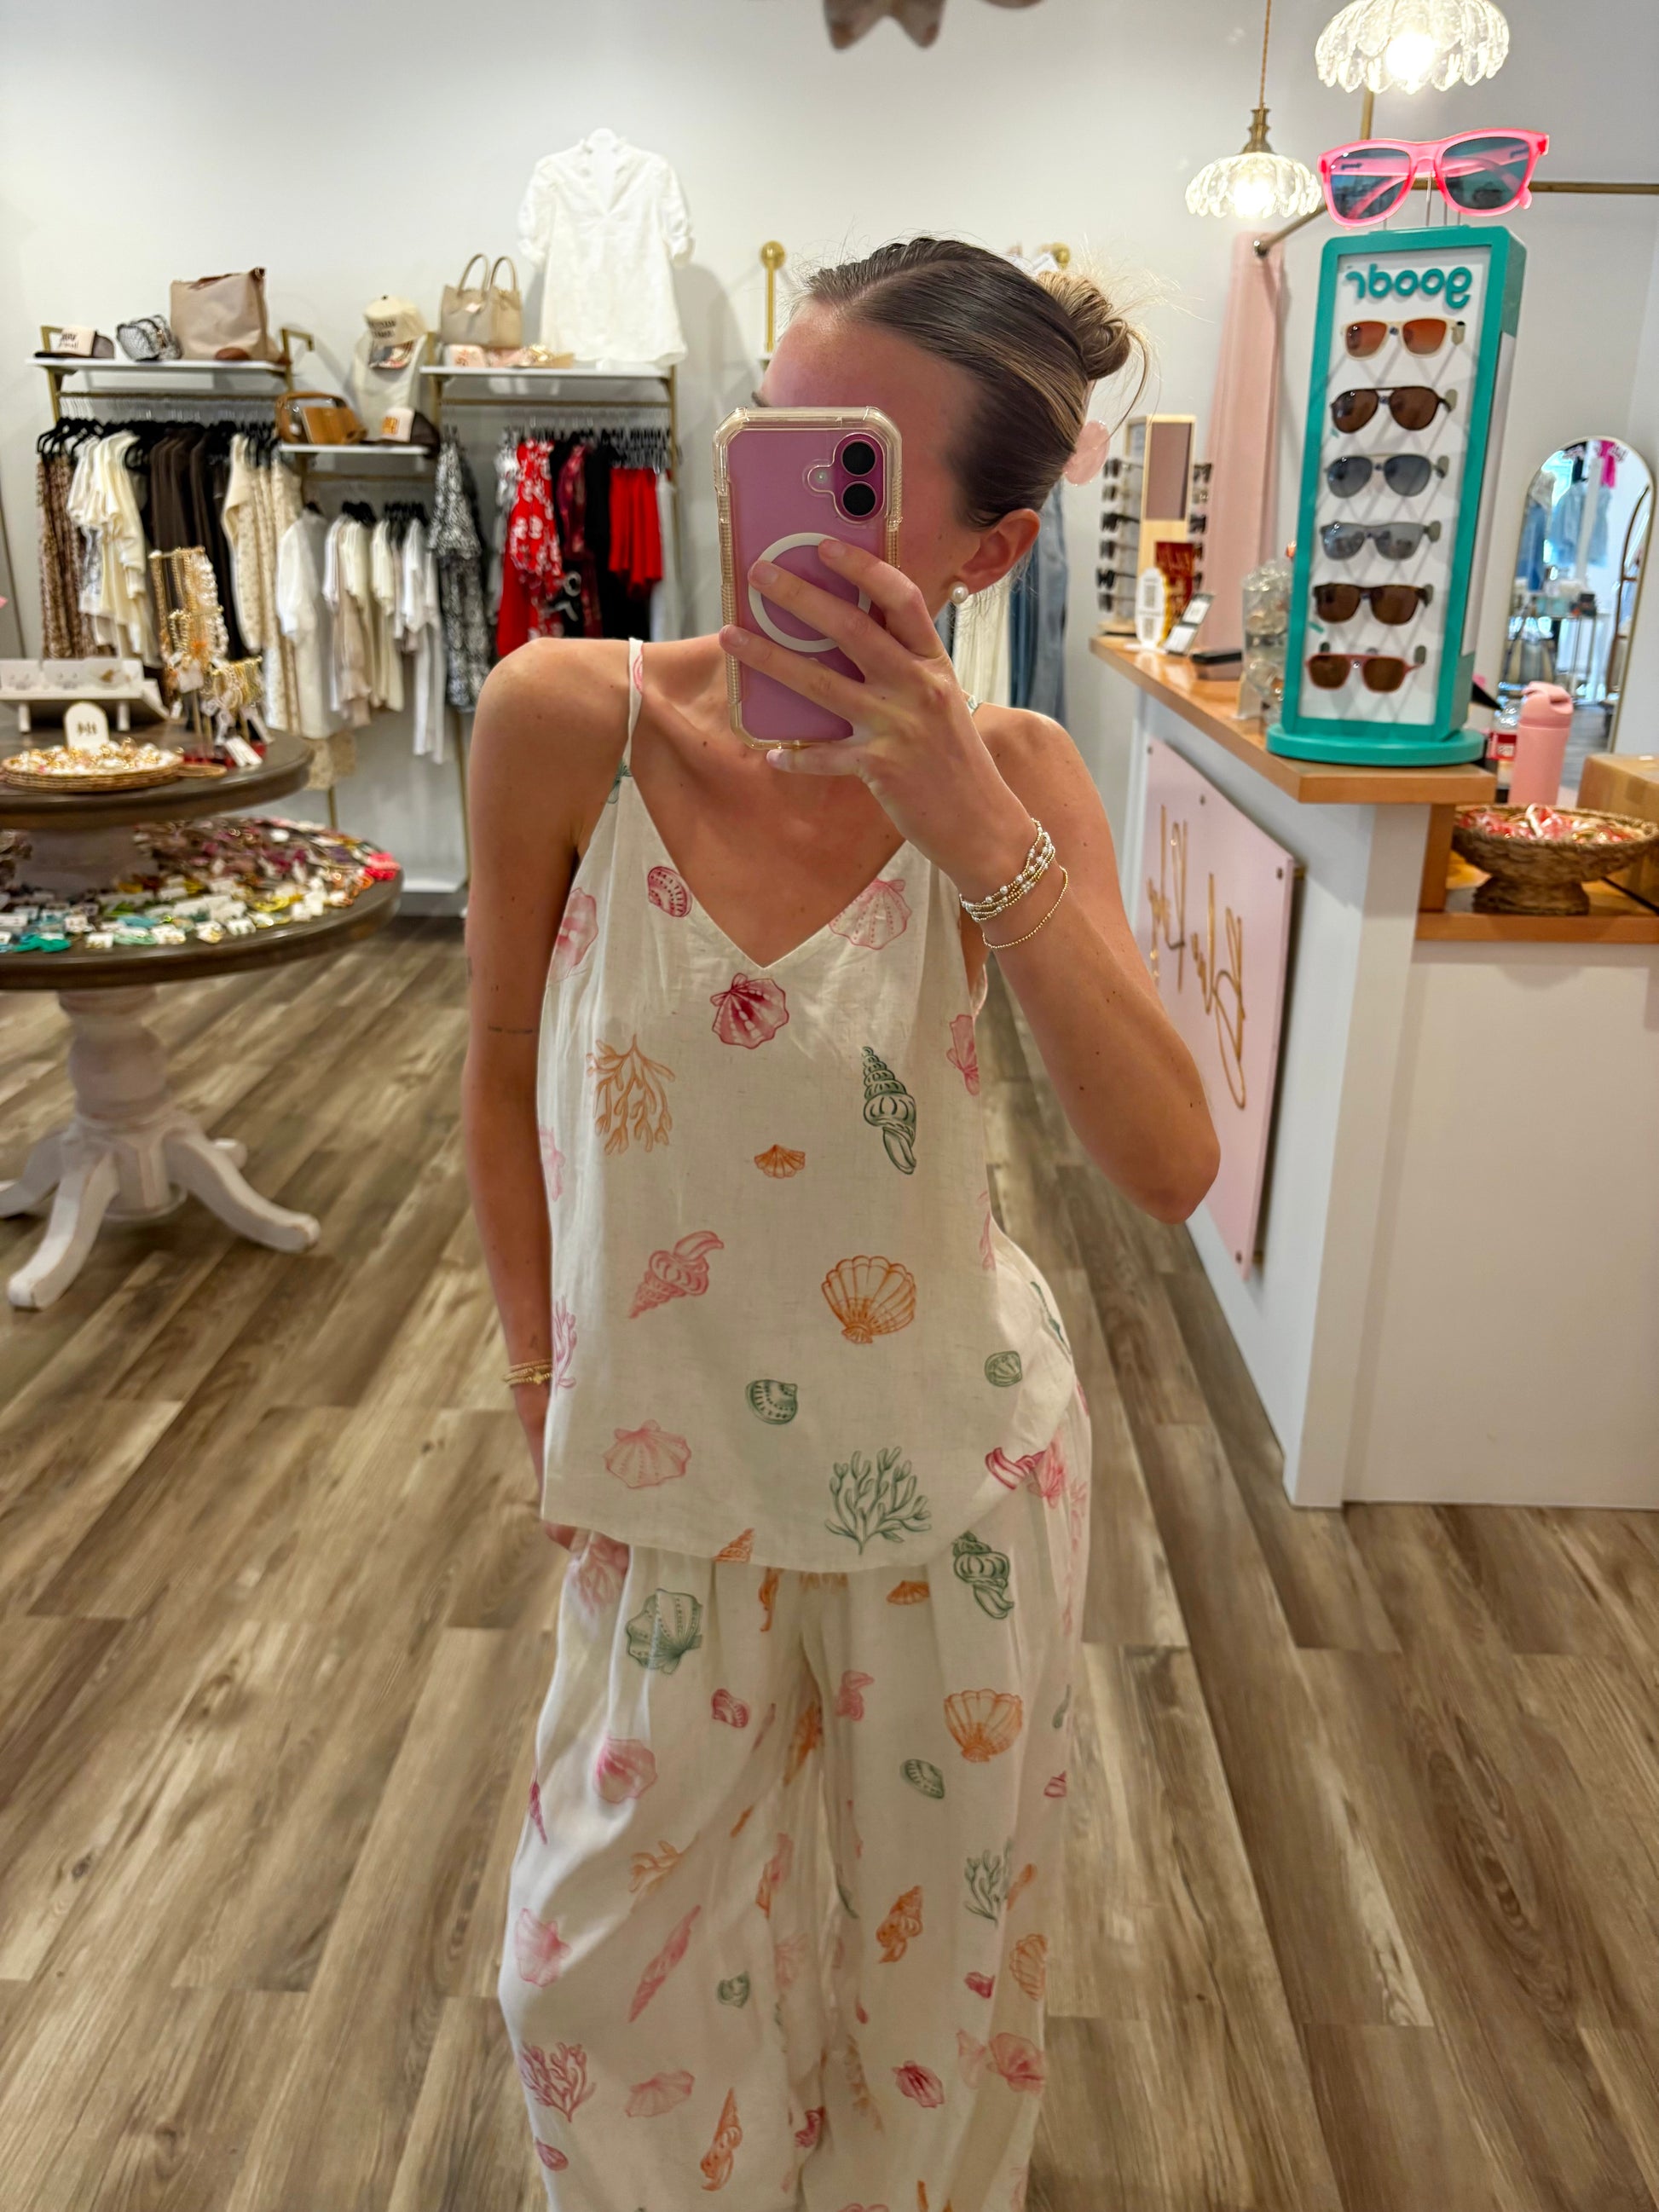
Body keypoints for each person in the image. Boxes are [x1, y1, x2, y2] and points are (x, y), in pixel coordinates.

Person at [463, 237, 1219, 2212]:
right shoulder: (566, 718)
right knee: (587, 1989)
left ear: (990, 546)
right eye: (769, 434)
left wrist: (974, 823)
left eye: (852, 465)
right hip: (664, 1476)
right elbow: (497, 1067)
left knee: (929, 2011)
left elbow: (1165, 1162)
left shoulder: (1019, 779)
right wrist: (540, 1382)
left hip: (944, 1485)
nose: (775, 504)